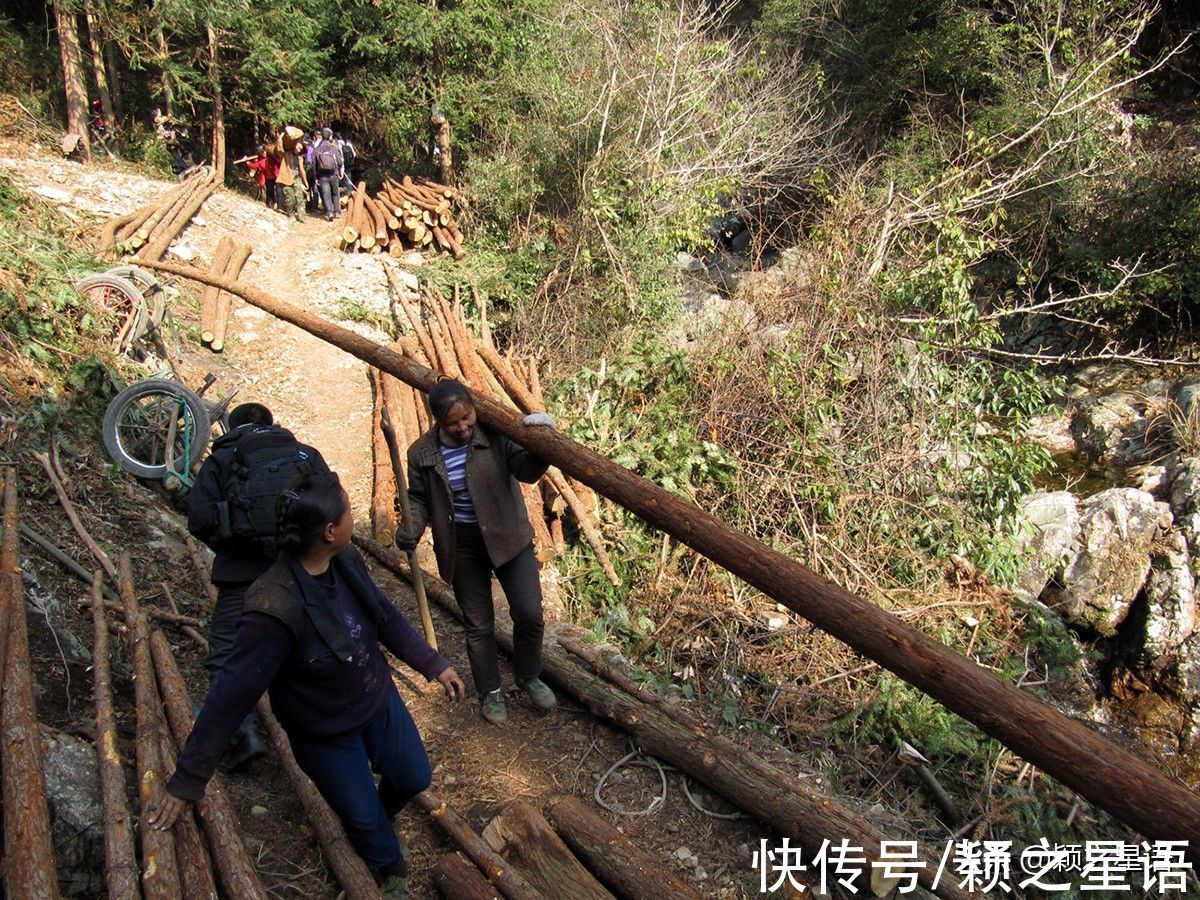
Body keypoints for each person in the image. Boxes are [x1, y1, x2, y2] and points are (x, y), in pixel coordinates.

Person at [153, 471, 465, 899]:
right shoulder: (274, 606)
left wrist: (433, 664)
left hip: (376, 699)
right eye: (348, 511)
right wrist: (189, 778)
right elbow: (232, 694)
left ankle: (377, 817)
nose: (354, 516)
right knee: (361, 820)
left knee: (413, 775)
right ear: (330, 531)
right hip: (324, 730)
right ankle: (389, 864)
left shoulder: (346, 560)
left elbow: (385, 616)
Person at [397, 379, 558, 724]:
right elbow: (419, 499)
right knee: (478, 625)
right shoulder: (421, 454)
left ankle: (528, 675)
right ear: (437, 421)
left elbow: (527, 470)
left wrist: (545, 442)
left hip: (508, 537)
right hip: (462, 545)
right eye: (452, 423)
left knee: (529, 613)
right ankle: (491, 691)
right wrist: (410, 525)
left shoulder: (494, 435)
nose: (462, 427)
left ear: (475, 409)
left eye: (467, 417)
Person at [187, 402, 330, 769]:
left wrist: (232, 542)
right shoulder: (301, 452)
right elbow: (330, 502)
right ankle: (324, 731)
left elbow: (200, 518)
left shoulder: (222, 460)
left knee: (226, 654)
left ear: (231, 428)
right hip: (299, 570)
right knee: (310, 645)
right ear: (271, 422)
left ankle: (244, 735)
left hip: (241, 575)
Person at [271, 127, 308, 222]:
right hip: (287, 177)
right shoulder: (286, 154)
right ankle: (290, 213)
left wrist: (305, 182)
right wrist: (280, 138)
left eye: (302, 147)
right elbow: (279, 149)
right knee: (290, 197)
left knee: (300, 198)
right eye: (300, 145)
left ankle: (301, 216)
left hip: (297, 178)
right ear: (295, 144)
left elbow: (302, 170)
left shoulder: (300, 158)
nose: (301, 147)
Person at [312, 127, 344, 221]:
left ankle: (329, 212)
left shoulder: (317, 149)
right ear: (330, 136)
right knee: (335, 193)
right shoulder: (333, 148)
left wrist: (315, 176)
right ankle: (337, 211)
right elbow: (339, 162)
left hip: (322, 176)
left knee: (326, 194)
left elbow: (314, 164)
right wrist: (339, 170)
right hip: (333, 174)